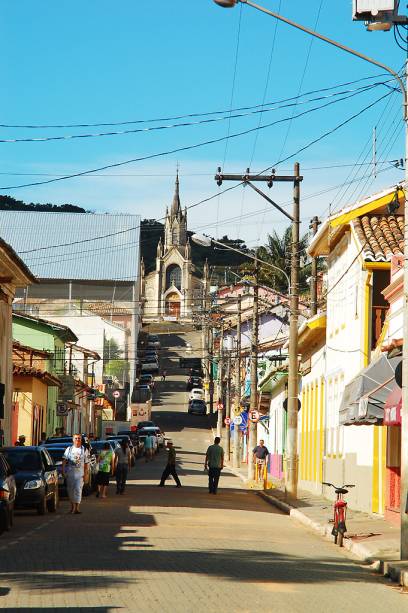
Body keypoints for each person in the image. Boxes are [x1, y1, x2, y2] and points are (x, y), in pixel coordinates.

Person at [62, 434, 90, 514]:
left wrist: (86, 474)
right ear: (73, 440)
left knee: (78, 490)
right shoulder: (69, 449)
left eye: (79, 438)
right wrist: (63, 471)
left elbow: (86, 463)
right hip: (70, 474)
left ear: (81, 440)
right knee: (70, 490)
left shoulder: (84, 450)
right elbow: (64, 461)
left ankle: (76, 508)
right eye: (76, 438)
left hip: (80, 475)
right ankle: (72, 507)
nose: (77, 440)